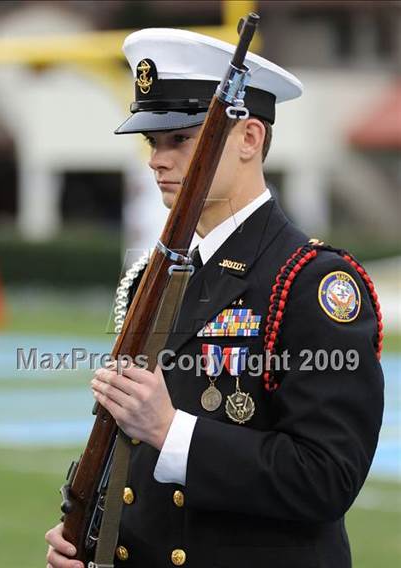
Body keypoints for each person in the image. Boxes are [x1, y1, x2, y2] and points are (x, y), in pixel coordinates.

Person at [46, 27, 384, 568]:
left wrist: (171, 429)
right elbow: (132, 462)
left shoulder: (310, 281)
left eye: (181, 139)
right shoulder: (150, 279)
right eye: (153, 141)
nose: (158, 159)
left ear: (249, 138)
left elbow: (328, 476)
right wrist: (89, 540)